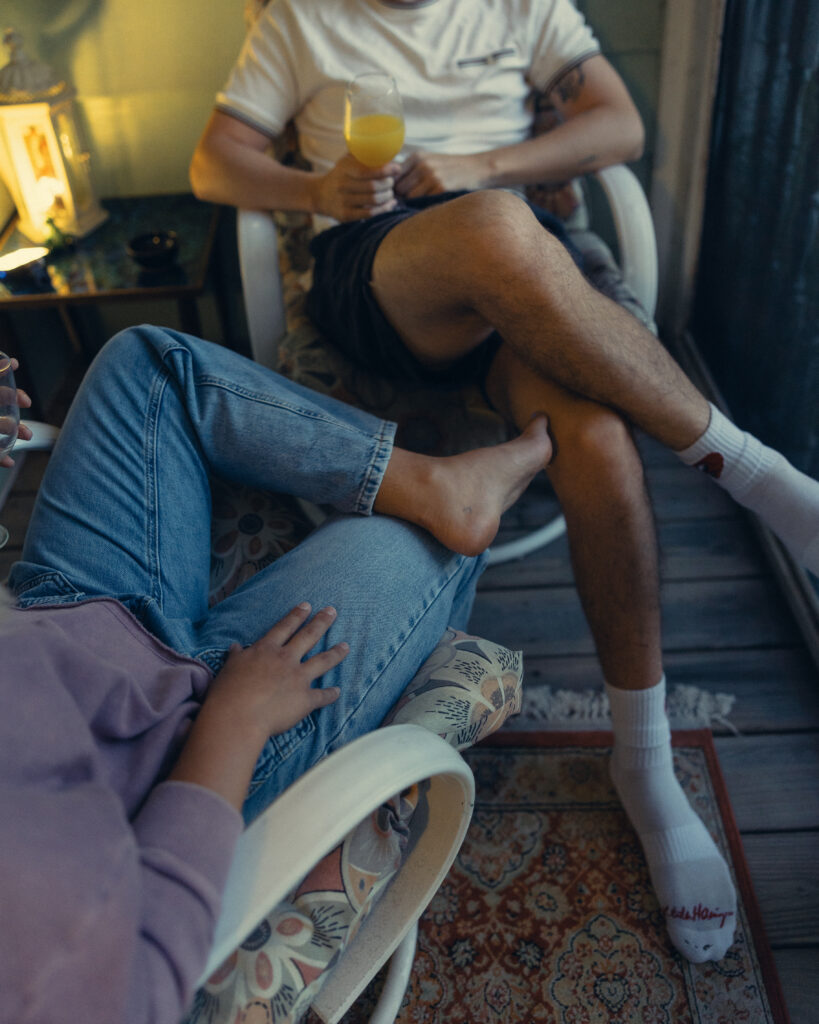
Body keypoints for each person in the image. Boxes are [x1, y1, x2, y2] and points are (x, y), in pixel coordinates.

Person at [189, 0, 819, 966]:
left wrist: (485, 165)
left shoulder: (518, 5)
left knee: (597, 435)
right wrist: (319, 185)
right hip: (384, 274)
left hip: (528, 273)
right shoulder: (300, 19)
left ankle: (642, 765)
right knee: (486, 227)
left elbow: (620, 125)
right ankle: (759, 476)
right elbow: (211, 160)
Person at [1, 324, 550, 1024]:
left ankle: (434, 481)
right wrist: (236, 725)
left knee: (146, 362)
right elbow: (140, 975)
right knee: (416, 544)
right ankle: (443, 499)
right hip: (180, 757)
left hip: (66, 620)